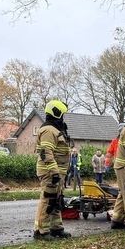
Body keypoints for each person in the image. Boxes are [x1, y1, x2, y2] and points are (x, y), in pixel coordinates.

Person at [33, 100, 72, 240]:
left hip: (57, 172)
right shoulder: (49, 130)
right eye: (63, 114)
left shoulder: (56, 129)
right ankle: (40, 230)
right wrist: (54, 172)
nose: (64, 118)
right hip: (50, 172)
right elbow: (46, 152)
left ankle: (56, 228)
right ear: (57, 114)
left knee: (56, 200)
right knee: (48, 200)